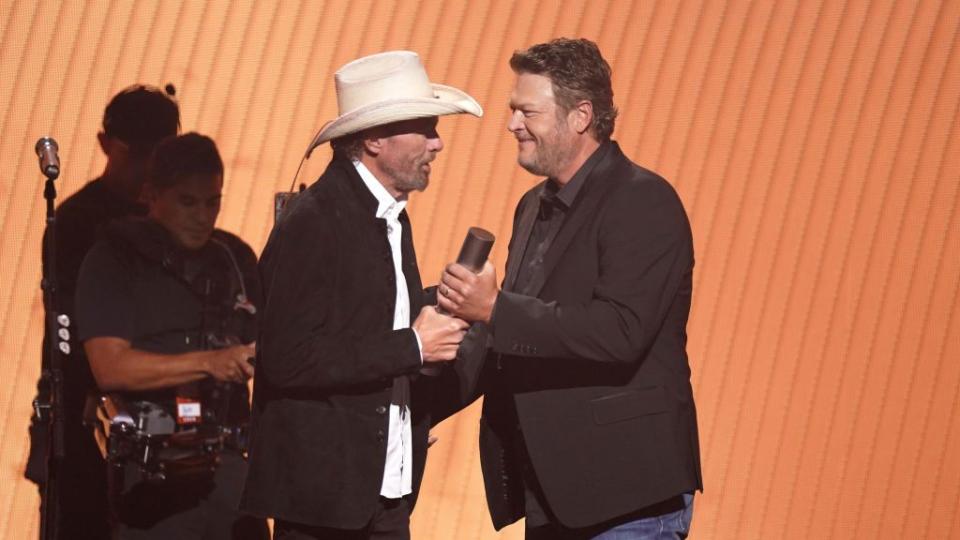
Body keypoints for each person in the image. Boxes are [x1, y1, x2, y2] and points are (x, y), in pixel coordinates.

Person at [437, 38, 703, 539]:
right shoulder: (532, 206)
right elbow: (508, 339)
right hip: (556, 492)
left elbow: (621, 330)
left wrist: (494, 308)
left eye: (526, 111)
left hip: (626, 496)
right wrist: (413, 406)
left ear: (581, 115)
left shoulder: (644, 201)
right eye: (513, 109)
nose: (512, 124)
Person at [239, 50, 481, 540]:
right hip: (323, 505)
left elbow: (363, 325)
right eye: (425, 128)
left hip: (382, 494)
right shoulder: (313, 222)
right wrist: (413, 346)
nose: (437, 143)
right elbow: (286, 356)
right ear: (374, 139)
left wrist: (446, 306)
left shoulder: (391, 217)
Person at [74, 133, 269, 539]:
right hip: (152, 473)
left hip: (231, 469)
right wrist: (209, 361)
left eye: (212, 202)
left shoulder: (235, 259)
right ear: (151, 195)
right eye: (187, 201)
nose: (203, 215)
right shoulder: (113, 259)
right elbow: (109, 365)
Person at [26, 84, 180, 540]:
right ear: (105, 144)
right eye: (137, 155)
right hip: (81, 417)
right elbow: (70, 329)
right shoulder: (75, 220)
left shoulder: (177, 222)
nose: (148, 170)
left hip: (159, 423)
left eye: (160, 155)